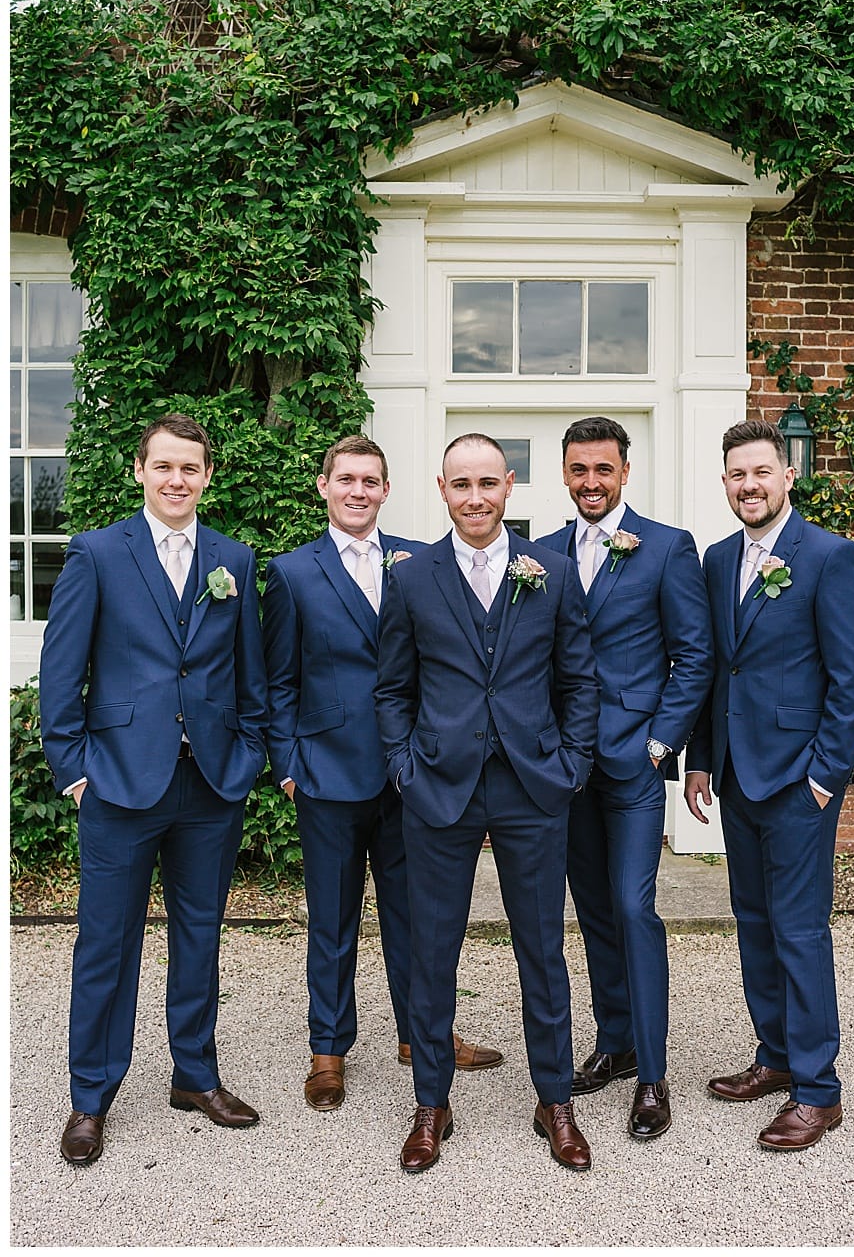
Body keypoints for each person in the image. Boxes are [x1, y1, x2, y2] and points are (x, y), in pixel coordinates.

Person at [39, 413, 268, 1166]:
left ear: (208, 476)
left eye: (191, 468)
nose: (178, 479)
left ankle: (194, 1075)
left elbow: (249, 673)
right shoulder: (99, 553)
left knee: (200, 933)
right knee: (106, 942)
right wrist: (75, 769)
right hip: (117, 781)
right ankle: (91, 1095)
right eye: (164, 466)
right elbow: (61, 670)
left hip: (209, 782)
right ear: (140, 469)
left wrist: (248, 755)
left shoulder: (233, 557)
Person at [375, 434, 599, 1173]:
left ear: (509, 485)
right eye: (459, 484)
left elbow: (578, 681)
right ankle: (431, 1103)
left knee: (543, 949)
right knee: (433, 953)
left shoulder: (554, 572)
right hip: (438, 786)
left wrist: (571, 764)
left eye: (487, 483)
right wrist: (405, 765)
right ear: (442, 489)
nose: (474, 496)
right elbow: (391, 688)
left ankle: (554, 1099)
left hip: (534, 785)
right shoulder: (410, 577)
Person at [262, 435, 502, 1113]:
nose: (358, 490)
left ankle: (420, 1034)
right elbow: (278, 680)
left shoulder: (420, 563)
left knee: (417, 917)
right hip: (326, 774)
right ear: (325, 486)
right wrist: (288, 766)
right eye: (347, 479)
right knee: (333, 920)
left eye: (371, 480)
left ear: (387, 490)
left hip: (408, 773)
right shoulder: (292, 572)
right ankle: (328, 1052)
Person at [684, 419, 854, 1151]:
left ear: (787, 474)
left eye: (761, 471)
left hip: (800, 781)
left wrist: (825, 776)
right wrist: (702, 757)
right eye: (737, 475)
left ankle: (819, 1090)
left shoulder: (828, 556)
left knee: (799, 931)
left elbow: (852, 681)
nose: (749, 485)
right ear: (725, 481)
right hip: (738, 775)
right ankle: (774, 1055)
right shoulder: (718, 558)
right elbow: (713, 669)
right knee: (755, 924)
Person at [539, 416, 713, 1140]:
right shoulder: (539, 553)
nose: (590, 482)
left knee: (635, 907)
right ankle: (616, 1041)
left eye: (602, 469)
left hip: (633, 764)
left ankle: (653, 1074)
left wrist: (660, 743)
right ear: (565, 473)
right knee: (595, 911)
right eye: (578, 469)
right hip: (564, 770)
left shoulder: (667, 547)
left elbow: (694, 655)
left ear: (625, 472)